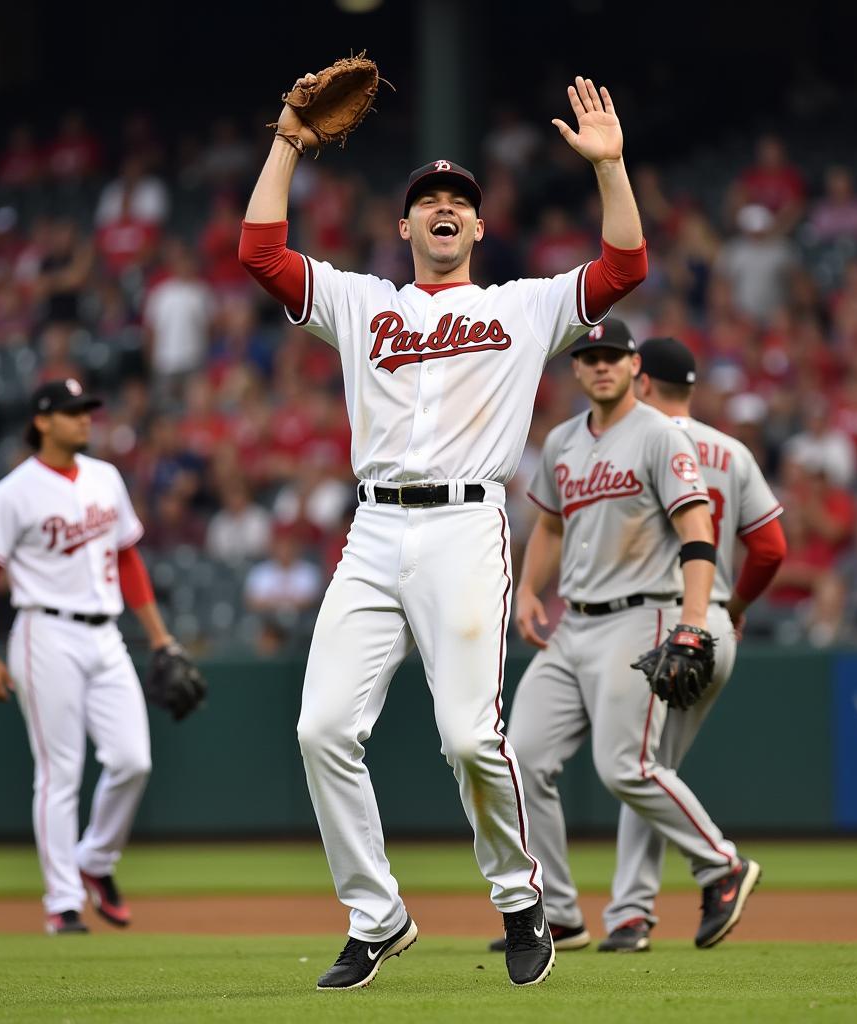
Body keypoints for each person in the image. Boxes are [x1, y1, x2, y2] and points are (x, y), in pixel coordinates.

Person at [239, 74, 648, 989]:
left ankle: (517, 899)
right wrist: (288, 145)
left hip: (467, 527)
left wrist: (611, 168)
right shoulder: (361, 304)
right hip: (374, 532)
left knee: (468, 738)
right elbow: (262, 253)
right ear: (406, 228)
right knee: (318, 730)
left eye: (459, 200)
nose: (444, 209)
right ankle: (376, 914)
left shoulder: (520, 307)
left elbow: (624, 271)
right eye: (428, 201)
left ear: (478, 226)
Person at [489, 323, 766, 959]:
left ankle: (721, 864)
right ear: (577, 370)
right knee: (519, 758)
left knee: (626, 767)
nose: (601, 365)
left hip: (642, 617)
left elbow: (697, 530)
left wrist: (694, 621)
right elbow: (550, 528)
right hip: (575, 623)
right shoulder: (561, 440)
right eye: (589, 357)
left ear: (633, 365)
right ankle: (558, 913)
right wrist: (530, 591)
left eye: (612, 355)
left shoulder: (659, 434)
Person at [0, 379, 175, 935]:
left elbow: (128, 558)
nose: (84, 419)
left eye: (86, 410)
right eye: (71, 412)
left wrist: (160, 638)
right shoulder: (14, 491)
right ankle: (62, 903)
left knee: (133, 760)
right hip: (44, 630)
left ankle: (95, 861)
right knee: (60, 772)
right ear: (43, 422)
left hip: (107, 634)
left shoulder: (106, 477)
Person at [603, 335, 786, 951]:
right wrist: (731, 608)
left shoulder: (640, 440)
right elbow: (771, 548)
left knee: (639, 766)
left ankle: (691, 883)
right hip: (713, 625)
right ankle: (631, 912)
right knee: (652, 769)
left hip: (662, 620)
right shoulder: (730, 451)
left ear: (643, 381)